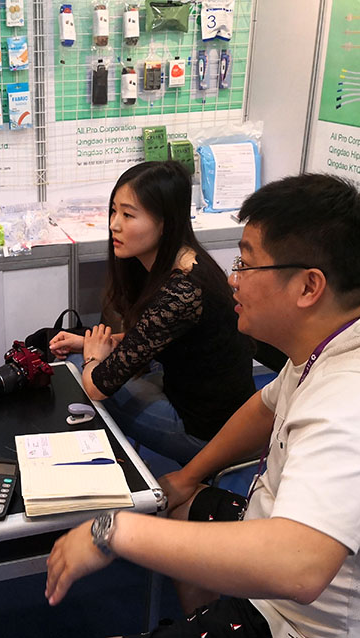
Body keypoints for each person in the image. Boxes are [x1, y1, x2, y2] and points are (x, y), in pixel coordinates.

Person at [45, 173, 360, 637]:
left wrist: (113, 530)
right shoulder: (342, 336)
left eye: (247, 265)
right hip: (279, 543)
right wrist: (188, 477)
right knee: (180, 505)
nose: (233, 280)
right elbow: (264, 407)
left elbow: (299, 567)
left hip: (318, 623)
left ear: (308, 287)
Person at [50, 161, 255, 465]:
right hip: (207, 406)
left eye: (128, 215)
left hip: (207, 434)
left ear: (164, 222)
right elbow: (151, 335)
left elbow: (96, 386)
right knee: (82, 358)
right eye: (113, 211)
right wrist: (87, 343)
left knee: (82, 373)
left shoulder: (182, 291)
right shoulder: (187, 261)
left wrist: (92, 356)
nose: (114, 224)